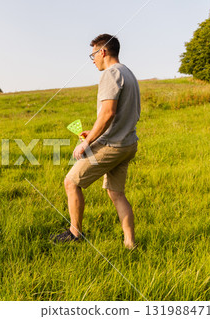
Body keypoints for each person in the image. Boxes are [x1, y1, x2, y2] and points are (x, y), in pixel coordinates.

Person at [54, 34, 141, 249]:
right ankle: (130, 244)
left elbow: (108, 113)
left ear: (103, 52)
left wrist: (87, 142)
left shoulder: (110, 74)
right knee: (116, 193)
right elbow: (118, 114)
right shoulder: (127, 73)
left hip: (112, 146)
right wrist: (93, 131)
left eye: (93, 54)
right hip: (128, 144)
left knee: (71, 182)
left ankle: (75, 234)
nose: (92, 60)